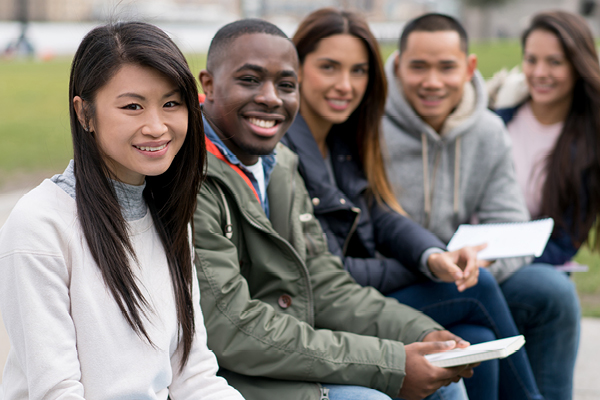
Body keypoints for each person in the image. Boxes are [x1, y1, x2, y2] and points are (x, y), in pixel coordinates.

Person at [194, 18, 474, 400]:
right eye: (250, 80)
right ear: (207, 84)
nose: (271, 97)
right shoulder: (191, 177)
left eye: (286, 86)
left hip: (289, 354)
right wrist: (389, 362)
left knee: (444, 379)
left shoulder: (280, 164)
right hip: (228, 375)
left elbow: (324, 283)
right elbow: (232, 327)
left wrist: (420, 334)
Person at [281, 8, 543, 400]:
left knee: (475, 338)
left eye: (358, 71)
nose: (345, 85)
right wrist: (426, 267)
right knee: (477, 289)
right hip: (328, 310)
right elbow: (327, 273)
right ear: (297, 68)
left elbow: (380, 214)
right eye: (329, 68)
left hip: (365, 290)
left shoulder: (341, 137)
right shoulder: (285, 148)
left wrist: (434, 256)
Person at [0, 22, 243, 400]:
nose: (157, 126)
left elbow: (193, 375)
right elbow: (56, 393)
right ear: (84, 114)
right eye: (132, 106)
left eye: (171, 103)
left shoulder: (168, 211)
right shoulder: (40, 225)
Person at [382, 13, 580, 400]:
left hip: (459, 278)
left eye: (446, 67)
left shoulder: (487, 131)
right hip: (388, 282)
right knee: (478, 315)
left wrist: (478, 262)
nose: (432, 81)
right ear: (398, 65)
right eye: (418, 66)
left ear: (470, 67)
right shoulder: (368, 124)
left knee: (545, 294)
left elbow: (509, 225)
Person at [488, 10, 600, 267]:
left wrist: (499, 262)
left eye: (554, 62)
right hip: (465, 256)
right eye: (531, 60)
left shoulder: (590, 144)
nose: (539, 72)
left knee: (551, 290)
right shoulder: (495, 118)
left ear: (578, 65)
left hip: (534, 266)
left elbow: (563, 245)